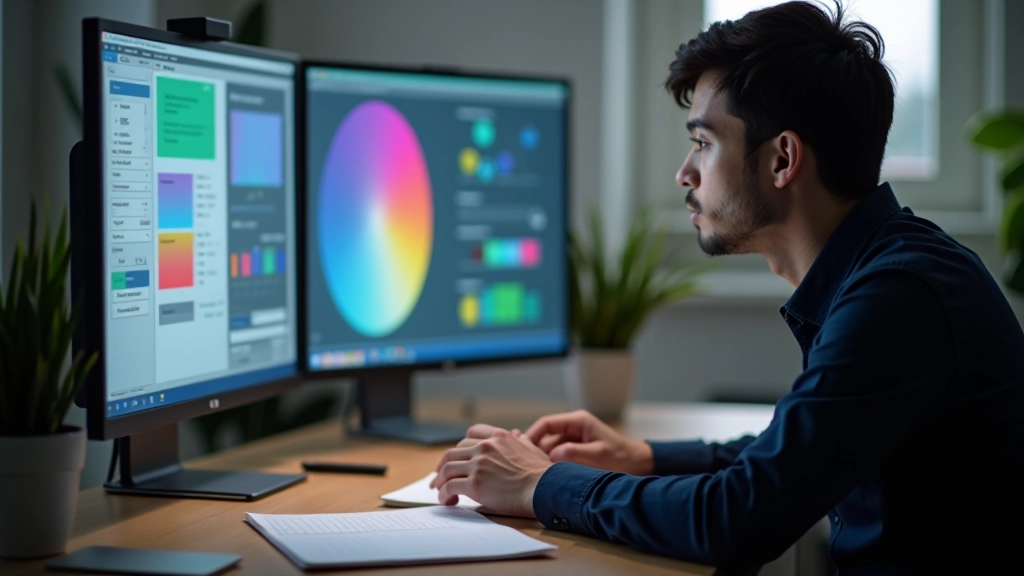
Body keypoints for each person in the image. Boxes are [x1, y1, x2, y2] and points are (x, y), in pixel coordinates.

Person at [431, 1, 1024, 572]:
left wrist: (539, 484)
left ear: (782, 159)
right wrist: (644, 457)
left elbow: (740, 516)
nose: (683, 173)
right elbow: (800, 451)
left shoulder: (898, 296)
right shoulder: (890, 271)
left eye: (703, 143)